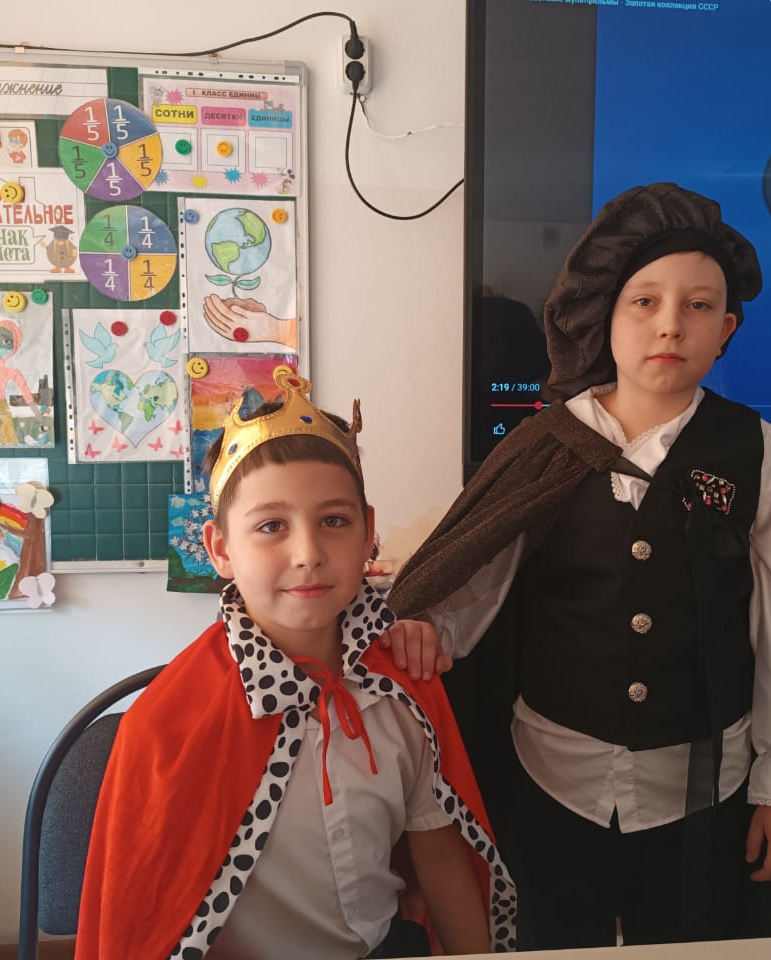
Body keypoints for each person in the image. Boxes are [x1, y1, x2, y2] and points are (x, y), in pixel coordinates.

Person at [384, 183, 771, 949]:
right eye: (645, 302)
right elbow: (471, 584)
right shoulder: (544, 446)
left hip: (702, 791)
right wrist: (425, 628)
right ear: (606, 313)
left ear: (727, 329)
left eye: (699, 306)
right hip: (551, 782)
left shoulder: (757, 450)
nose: (671, 324)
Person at [75, 366, 515, 960]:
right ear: (220, 549)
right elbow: (142, 921)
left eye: (334, 521)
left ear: (369, 533)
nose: (308, 553)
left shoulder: (405, 690)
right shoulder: (163, 730)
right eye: (271, 526)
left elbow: (440, 854)